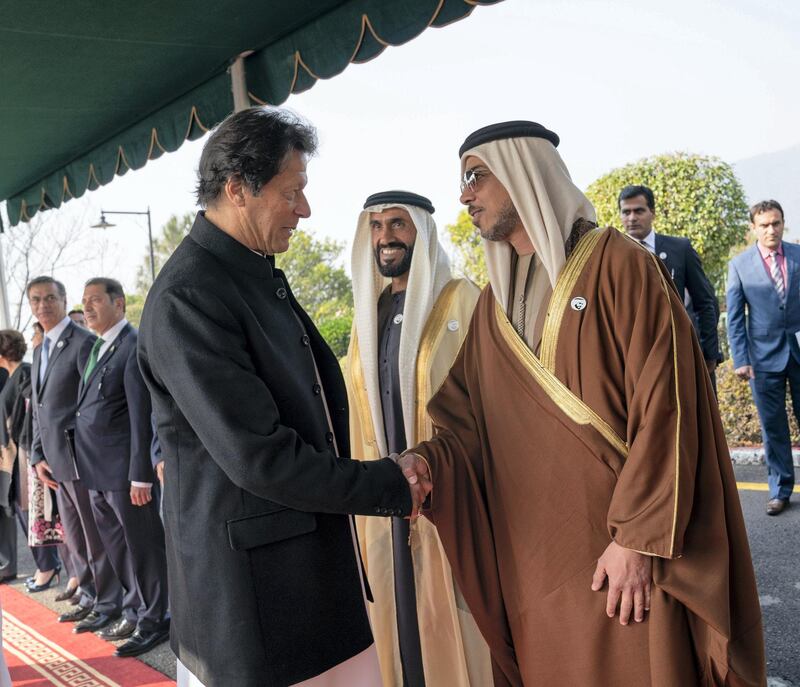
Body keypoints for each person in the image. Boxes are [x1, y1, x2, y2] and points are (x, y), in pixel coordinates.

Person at [398, 121, 765, 685]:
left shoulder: (621, 264)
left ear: (524, 174)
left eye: (476, 177)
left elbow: (670, 408)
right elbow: (467, 422)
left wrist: (637, 540)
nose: (465, 195)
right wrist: (427, 461)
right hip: (535, 564)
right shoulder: (494, 305)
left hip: (619, 562)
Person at [137, 107, 426, 687]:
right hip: (257, 608)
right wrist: (390, 483)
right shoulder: (188, 296)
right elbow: (259, 456)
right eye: (291, 192)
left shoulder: (247, 271)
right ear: (237, 189)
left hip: (305, 588)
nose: (306, 210)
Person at [345, 191, 490, 686]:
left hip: (448, 494)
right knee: (398, 617)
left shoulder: (460, 300)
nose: (386, 237)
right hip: (386, 500)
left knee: (451, 613)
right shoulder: (371, 315)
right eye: (377, 226)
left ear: (421, 233)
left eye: (398, 225)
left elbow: (489, 405)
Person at [75, 278, 169, 655]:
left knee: (143, 549)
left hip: (126, 475)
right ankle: (134, 609)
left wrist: (140, 475)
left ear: (119, 303)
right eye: (84, 301)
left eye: (95, 300)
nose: (87, 307)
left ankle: (156, 620)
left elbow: (140, 415)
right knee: (118, 548)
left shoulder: (131, 346)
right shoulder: (97, 347)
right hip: (96, 471)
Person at [27, 276, 123, 631]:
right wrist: (38, 455)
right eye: (36, 300)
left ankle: (108, 601)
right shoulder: (39, 349)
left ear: (64, 300)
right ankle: (87, 593)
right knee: (74, 536)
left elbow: (93, 404)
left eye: (50, 298)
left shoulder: (83, 342)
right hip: (52, 460)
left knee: (94, 536)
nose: (43, 305)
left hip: (80, 456)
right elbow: (39, 408)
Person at [727, 199, 800, 516]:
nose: (772, 229)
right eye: (765, 225)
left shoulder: (798, 255)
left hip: (798, 352)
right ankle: (780, 490)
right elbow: (734, 317)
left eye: (777, 223)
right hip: (761, 359)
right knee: (773, 428)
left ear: (783, 223)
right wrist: (741, 358)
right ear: (753, 228)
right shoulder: (740, 265)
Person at [618, 184, 722, 380]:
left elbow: (705, 302)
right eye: (626, 212)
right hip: (636, 360)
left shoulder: (680, 248)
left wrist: (709, 354)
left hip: (682, 352)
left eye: (639, 211)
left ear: (652, 213)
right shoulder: (613, 256)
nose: (632, 218)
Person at [0, 330, 61, 588]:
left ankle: (48, 567)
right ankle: (44, 566)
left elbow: (31, 412)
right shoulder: (14, 375)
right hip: (12, 457)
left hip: (23, 455)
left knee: (33, 514)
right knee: (24, 513)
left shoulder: (24, 373)